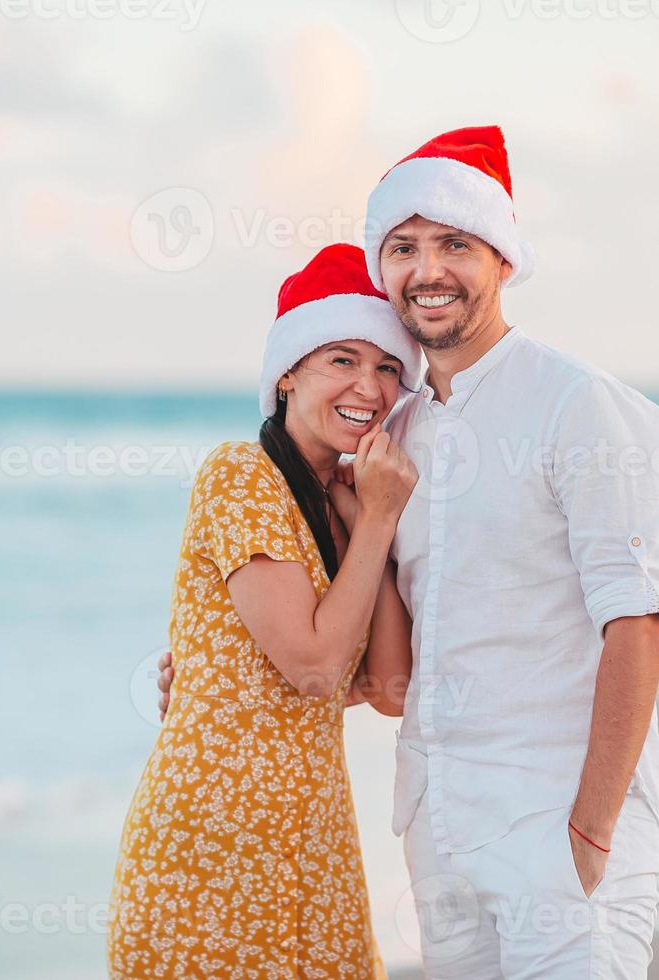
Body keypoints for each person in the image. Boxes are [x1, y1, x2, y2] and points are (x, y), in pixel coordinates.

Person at [161, 127, 659, 979]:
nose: (426, 269)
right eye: (402, 247)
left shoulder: (579, 405)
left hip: (557, 822)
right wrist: (215, 671)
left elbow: (641, 626)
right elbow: (362, 652)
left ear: (502, 259)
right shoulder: (391, 436)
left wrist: (590, 829)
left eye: (454, 244)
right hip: (439, 832)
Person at [108, 243, 421, 979]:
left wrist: (363, 519)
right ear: (287, 372)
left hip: (311, 844)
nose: (368, 387)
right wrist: (378, 519)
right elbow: (313, 666)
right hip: (211, 847)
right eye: (341, 359)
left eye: (386, 368)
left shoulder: (343, 504)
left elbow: (390, 691)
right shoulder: (239, 475)